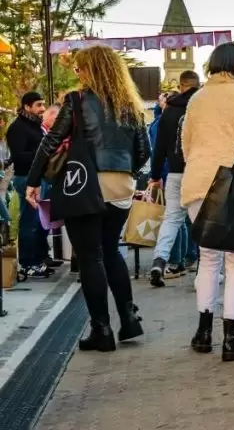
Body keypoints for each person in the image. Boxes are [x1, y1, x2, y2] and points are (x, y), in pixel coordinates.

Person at [25, 46, 148, 352]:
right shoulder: (129, 104)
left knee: (90, 256)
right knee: (111, 251)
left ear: (90, 70)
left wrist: (33, 181)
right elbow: (143, 151)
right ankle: (129, 318)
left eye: (80, 69)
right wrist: (125, 171)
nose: (77, 75)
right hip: (121, 185)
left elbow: (51, 140)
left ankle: (101, 330)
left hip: (86, 183)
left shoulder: (76, 100)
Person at [181, 44, 234, 362]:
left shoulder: (196, 98)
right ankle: (232, 337)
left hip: (198, 182)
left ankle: (202, 333)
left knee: (208, 259)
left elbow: (186, 142)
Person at [148, 71, 201, 286]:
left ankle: (159, 261)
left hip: (174, 172)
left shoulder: (168, 111)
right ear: (197, 85)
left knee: (171, 219)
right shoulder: (202, 107)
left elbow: (159, 147)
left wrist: (154, 176)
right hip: (198, 172)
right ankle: (204, 270)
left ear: (180, 86)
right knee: (202, 222)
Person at [6, 92, 52, 278]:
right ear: (27, 106)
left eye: (43, 104)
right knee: (29, 222)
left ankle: (40, 258)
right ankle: (27, 263)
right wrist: (42, 155)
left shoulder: (35, 126)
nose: (42, 108)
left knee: (42, 222)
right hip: (26, 178)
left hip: (39, 178)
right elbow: (18, 156)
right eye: (38, 105)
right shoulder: (18, 128)